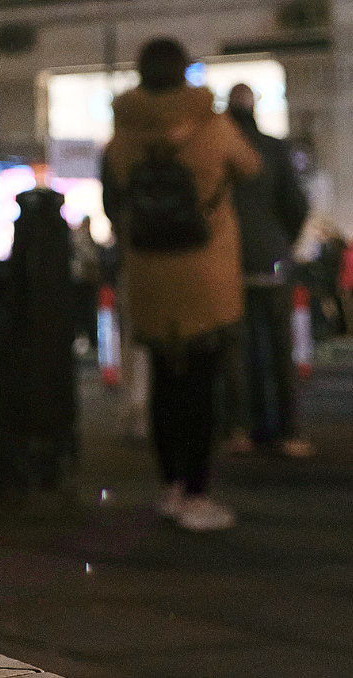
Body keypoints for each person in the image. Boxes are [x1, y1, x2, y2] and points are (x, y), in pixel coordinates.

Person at [102, 38, 260, 532]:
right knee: (202, 385)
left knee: (166, 386)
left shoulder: (123, 135)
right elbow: (252, 167)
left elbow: (112, 201)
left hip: (149, 272)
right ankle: (197, 491)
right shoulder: (214, 125)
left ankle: (171, 486)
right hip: (206, 275)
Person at [225, 82, 312, 457]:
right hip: (272, 260)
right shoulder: (275, 149)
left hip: (228, 262)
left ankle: (239, 427)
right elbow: (297, 205)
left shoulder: (219, 150)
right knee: (280, 348)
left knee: (236, 349)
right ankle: (287, 430)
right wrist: (282, 243)